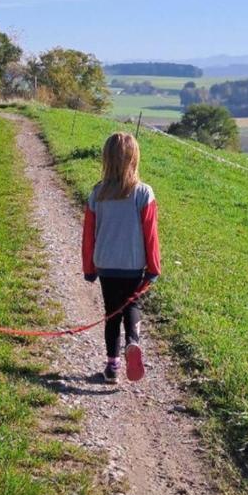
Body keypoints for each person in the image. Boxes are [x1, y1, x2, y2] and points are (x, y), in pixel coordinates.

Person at [81, 132, 160, 384]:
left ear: (106, 159)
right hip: (133, 264)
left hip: (106, 264)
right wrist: (153, 267)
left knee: (111, 313)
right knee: (132, 306)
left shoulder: (97, 193)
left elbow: (88, 235)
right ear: (134, 159)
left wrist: (89, 267)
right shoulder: (143, 194)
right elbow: (151, 235)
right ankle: (133, 342)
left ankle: (112, 367)